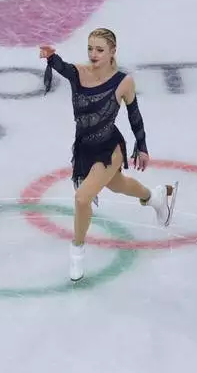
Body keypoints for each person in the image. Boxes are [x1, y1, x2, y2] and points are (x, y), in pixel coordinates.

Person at [39, 28, 177, 281]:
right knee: (118, 184)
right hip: (83, 148)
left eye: (100, 50)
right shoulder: (79, 73)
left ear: (113, 51)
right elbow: (61, 67)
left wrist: (142, 146)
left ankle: (77, 250)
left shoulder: (123, 82)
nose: (93, 54)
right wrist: (50, 56)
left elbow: (134, 115)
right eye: (90, 48)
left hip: (109, 148)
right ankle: (155, 197)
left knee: (82, 198)